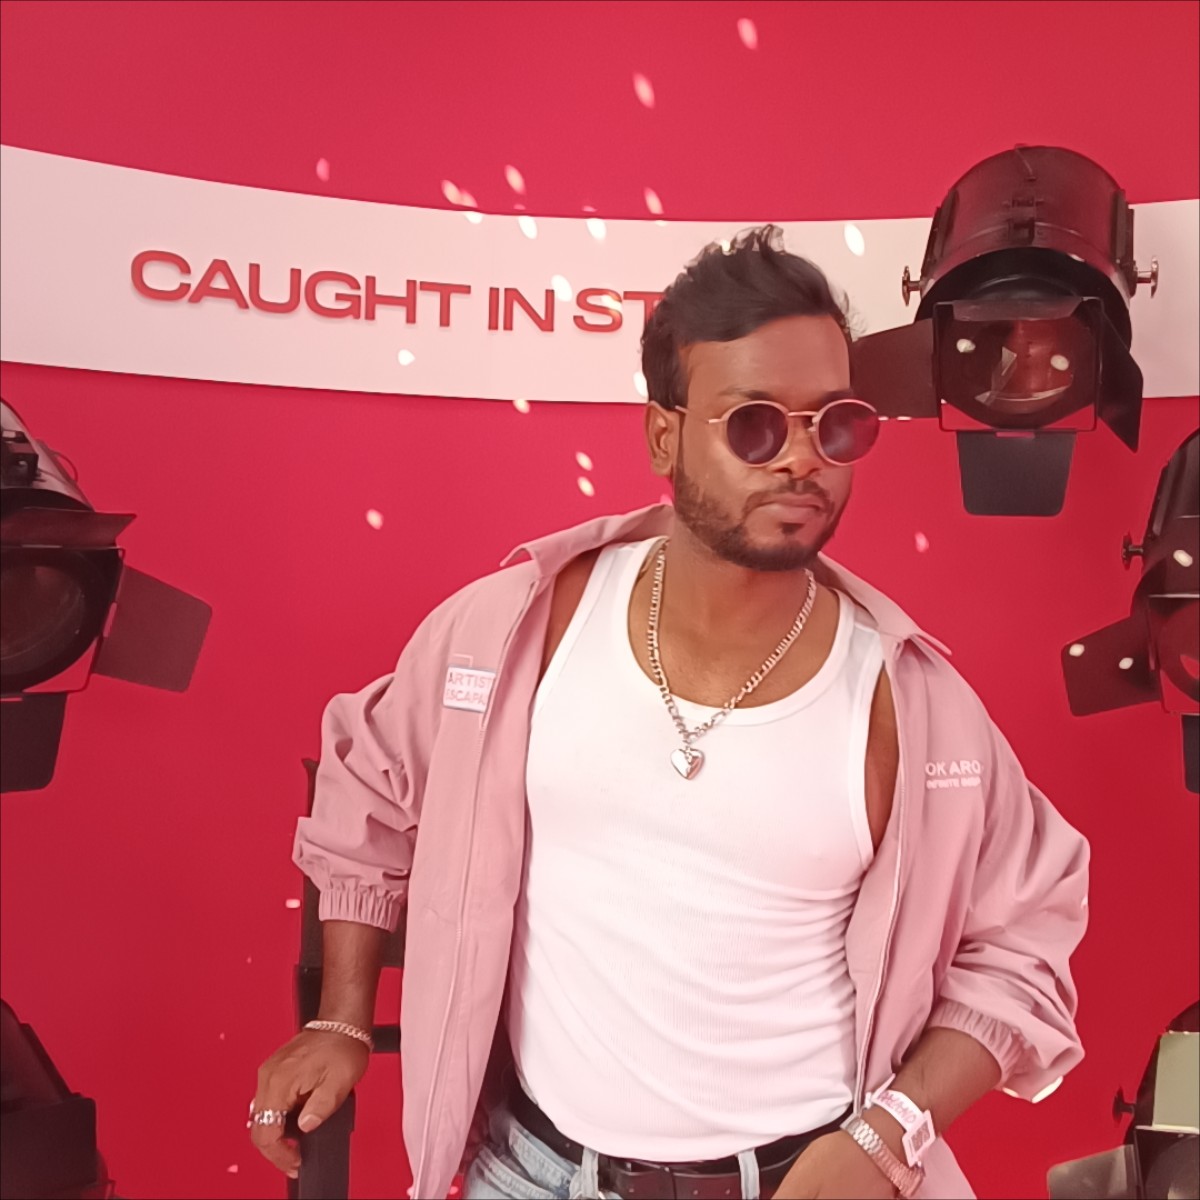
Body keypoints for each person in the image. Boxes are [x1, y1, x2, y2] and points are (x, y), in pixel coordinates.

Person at [250, 226, 1089, 1200]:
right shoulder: (517, 630)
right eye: (755, 425)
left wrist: (886, 1136)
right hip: (530, 1173)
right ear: (664, 435)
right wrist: (342, 1018)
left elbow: (1025, 944)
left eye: (837, 425)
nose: (803, 460)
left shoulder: (910, 704)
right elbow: (371, 783)